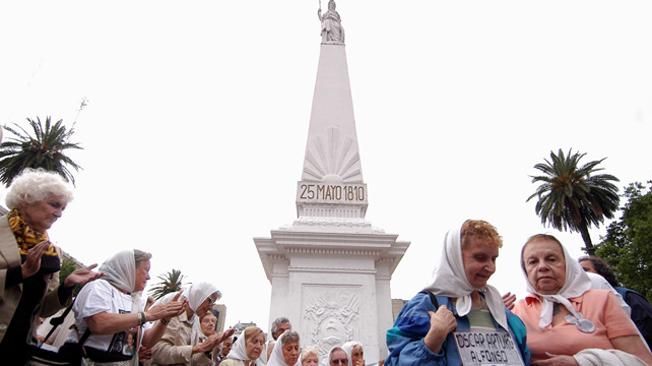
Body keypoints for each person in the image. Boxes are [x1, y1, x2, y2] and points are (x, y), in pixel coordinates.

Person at [385, 220, 530, 365]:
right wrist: (432, 340)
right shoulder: (426, 307)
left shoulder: (503, 314)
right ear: (456, 257)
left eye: (494, 259)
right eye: (480, 258)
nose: (491, 267)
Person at [0, 169, 103, 363]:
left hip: (18, 351)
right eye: (55, 205)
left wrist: (67, 286)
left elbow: (43, 309)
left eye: (63, 208)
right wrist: (20, 273)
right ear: (26, 199)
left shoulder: (52, 253)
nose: (59, 214)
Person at [512, 234, 652, 365]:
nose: (542, 267)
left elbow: (641, 360)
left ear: (568, 265)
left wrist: (583, 362)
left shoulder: (602, 300)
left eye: (551, 259)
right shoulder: (517, 312)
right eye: (533, 262)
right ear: (525, 271)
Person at [67, 249, 186, 365]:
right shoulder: (99, 287)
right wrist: (147, 315)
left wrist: (165, 319)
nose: (149, 277)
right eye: (146, 270)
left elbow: (147, 340)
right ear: (129, 269)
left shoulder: (134, 301)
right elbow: (98, 323)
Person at [151, 283, 234, 366]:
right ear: (198, 295)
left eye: (213, 303)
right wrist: (198, 348)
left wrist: (207, 350)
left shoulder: (195, 322)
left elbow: (192, 360)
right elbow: (158, 353)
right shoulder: (173, 314)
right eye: (210, 301)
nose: (211, 307)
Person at [579, 255, 652, 347]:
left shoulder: (627, 295)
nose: (581, 275)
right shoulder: (584, 305)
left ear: (601, 273)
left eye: (585, 270)